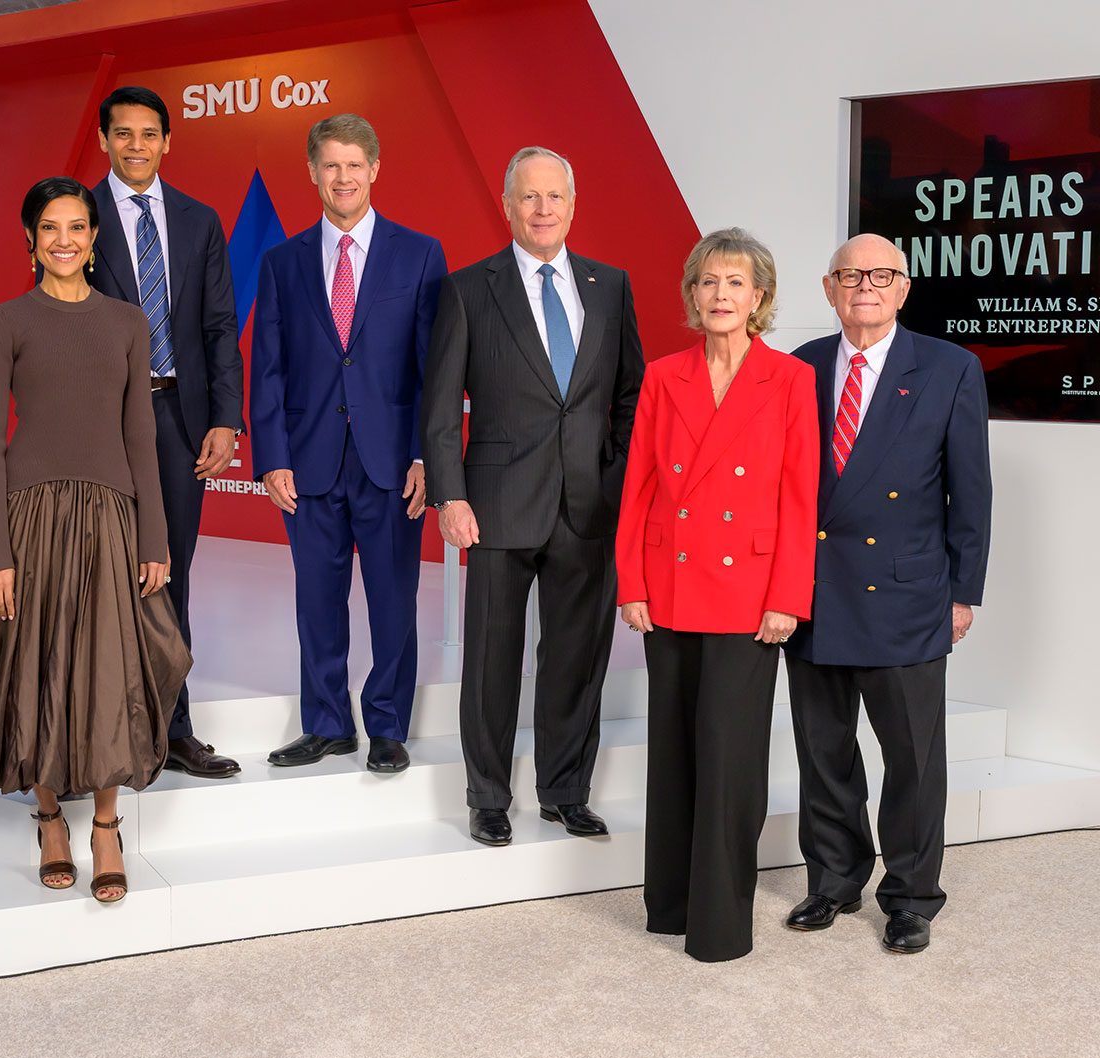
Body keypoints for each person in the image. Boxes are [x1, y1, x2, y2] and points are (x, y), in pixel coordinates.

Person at [0, 177, 189, 904]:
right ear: (30, 238)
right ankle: (50, 817)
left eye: (77, 226)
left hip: (110, 514)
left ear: (92, 237)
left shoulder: (128, 320)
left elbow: (140, 433)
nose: (65, 240)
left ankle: (105, 825)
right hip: (31, 516)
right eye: (50, 227)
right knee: (39, 668)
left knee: (110, 669)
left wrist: (155, 534)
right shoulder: (4, 320)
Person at [421, 146, 644, 845]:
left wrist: (614, 474)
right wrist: (450, 496)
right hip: (494, 504)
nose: (543, 210)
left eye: (555, 197)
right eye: (530, 197)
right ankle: (487, 795)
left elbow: (631, 391)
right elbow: (436, 407)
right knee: (492, 659)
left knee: (578, 656)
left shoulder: (609, 285)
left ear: (572, 206)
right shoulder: (467, 289)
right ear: (508, 205)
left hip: (587, 506)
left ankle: (565, 790)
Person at [783, 233, 991, 954]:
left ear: (903, 288)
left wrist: (964, 589)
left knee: (911, 754)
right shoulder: (799, 367)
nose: (864, 285)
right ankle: (835, 877)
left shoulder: (948, 367)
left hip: (905, 592)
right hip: (813, 590)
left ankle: (910, 894)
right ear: (829, 286)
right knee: (824, 749)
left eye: (880, 275)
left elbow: (971, 488)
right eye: (850, 274)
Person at [617, 228, 818, 962]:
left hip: (749, 594)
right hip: (667, 586)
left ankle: (720, 922)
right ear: (692, 294)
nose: (721, 295)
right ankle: (668, 904)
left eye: (735, 283)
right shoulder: (664, 375)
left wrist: (787, 595)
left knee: (730, 759)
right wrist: (631, 584)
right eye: (708, 282)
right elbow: (637, 485)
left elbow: (801, 495)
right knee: (672, 750)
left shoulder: (790, 380)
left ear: (758, 297)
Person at [249, 115, 447, 773]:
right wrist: (272, 455)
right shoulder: (281, 262)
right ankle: (328, 723)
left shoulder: (420, 254)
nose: (342, 178)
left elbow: (433, 368)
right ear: (312, 171)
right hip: (308, 461)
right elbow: (267, 364)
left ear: (375, 169)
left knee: (394, 598)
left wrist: (427, 453)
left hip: (391, 460)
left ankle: (387, 725)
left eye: (354, 164)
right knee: (317, 600)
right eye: (330, 165)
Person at [89, 86, 244, 779]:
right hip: (101, 421)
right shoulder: (76, 215)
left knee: (170, 575)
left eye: (149, 134)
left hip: (181, 417)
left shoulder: (199, 221)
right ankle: (101, 731)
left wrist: (224, 418)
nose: (136, 146)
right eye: (123, 134)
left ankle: (174, 727)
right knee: (96, 576)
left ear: (167, 141)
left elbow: (218, 327)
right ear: (104, 140)